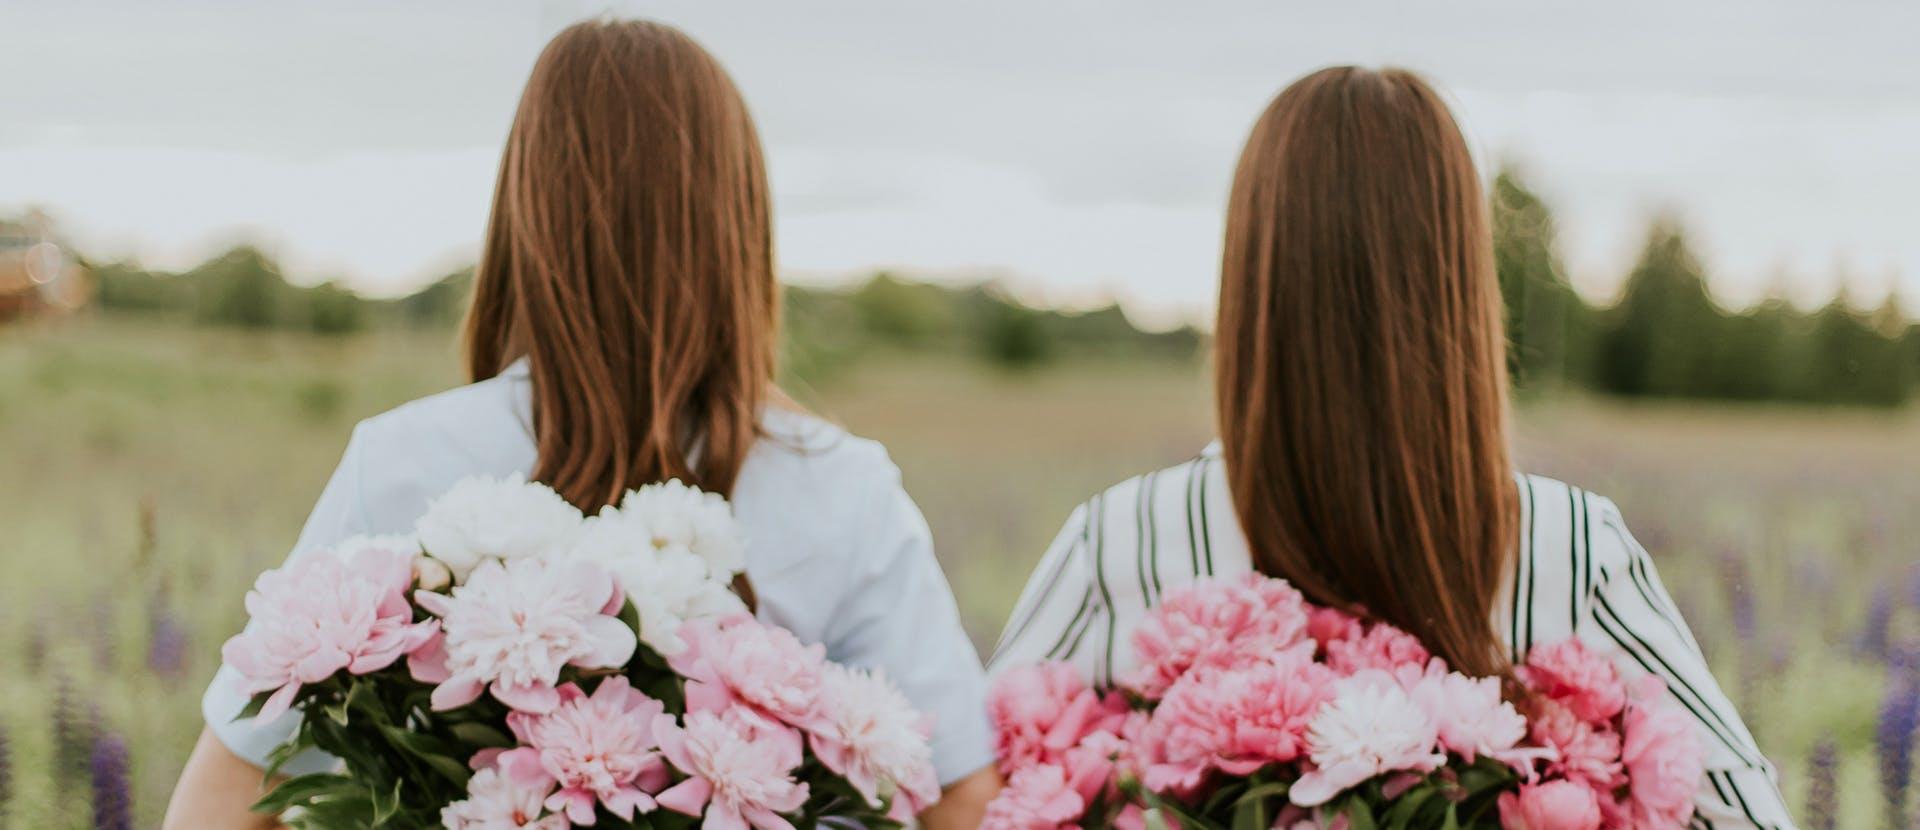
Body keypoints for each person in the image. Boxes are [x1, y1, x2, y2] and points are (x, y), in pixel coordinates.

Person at [163, 19, 998, 829]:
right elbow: (961, 799)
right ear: (738, 223)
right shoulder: (842, 487)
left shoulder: (406, 459)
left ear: (528, 212)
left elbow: (226, 794)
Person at [989, 66, 1792, 827]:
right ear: (1458, 284)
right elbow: (1747, 813)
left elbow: (967, 799)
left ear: (1250, 284)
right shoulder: (1571, 547)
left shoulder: (1120, 541)